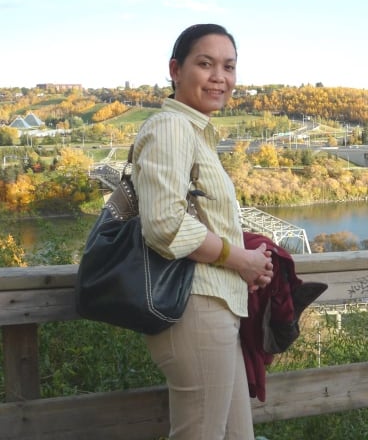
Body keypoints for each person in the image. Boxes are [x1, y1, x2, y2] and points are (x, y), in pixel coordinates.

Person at [132, 23, 274, 439]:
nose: (220, 77)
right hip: (194, 308)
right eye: (205, 63)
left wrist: (247, 264)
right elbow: (165, 225)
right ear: (175, 70)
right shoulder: (172, 128)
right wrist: (242, 259)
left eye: (228, 66)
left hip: (213, 306)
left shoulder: (195, 134)